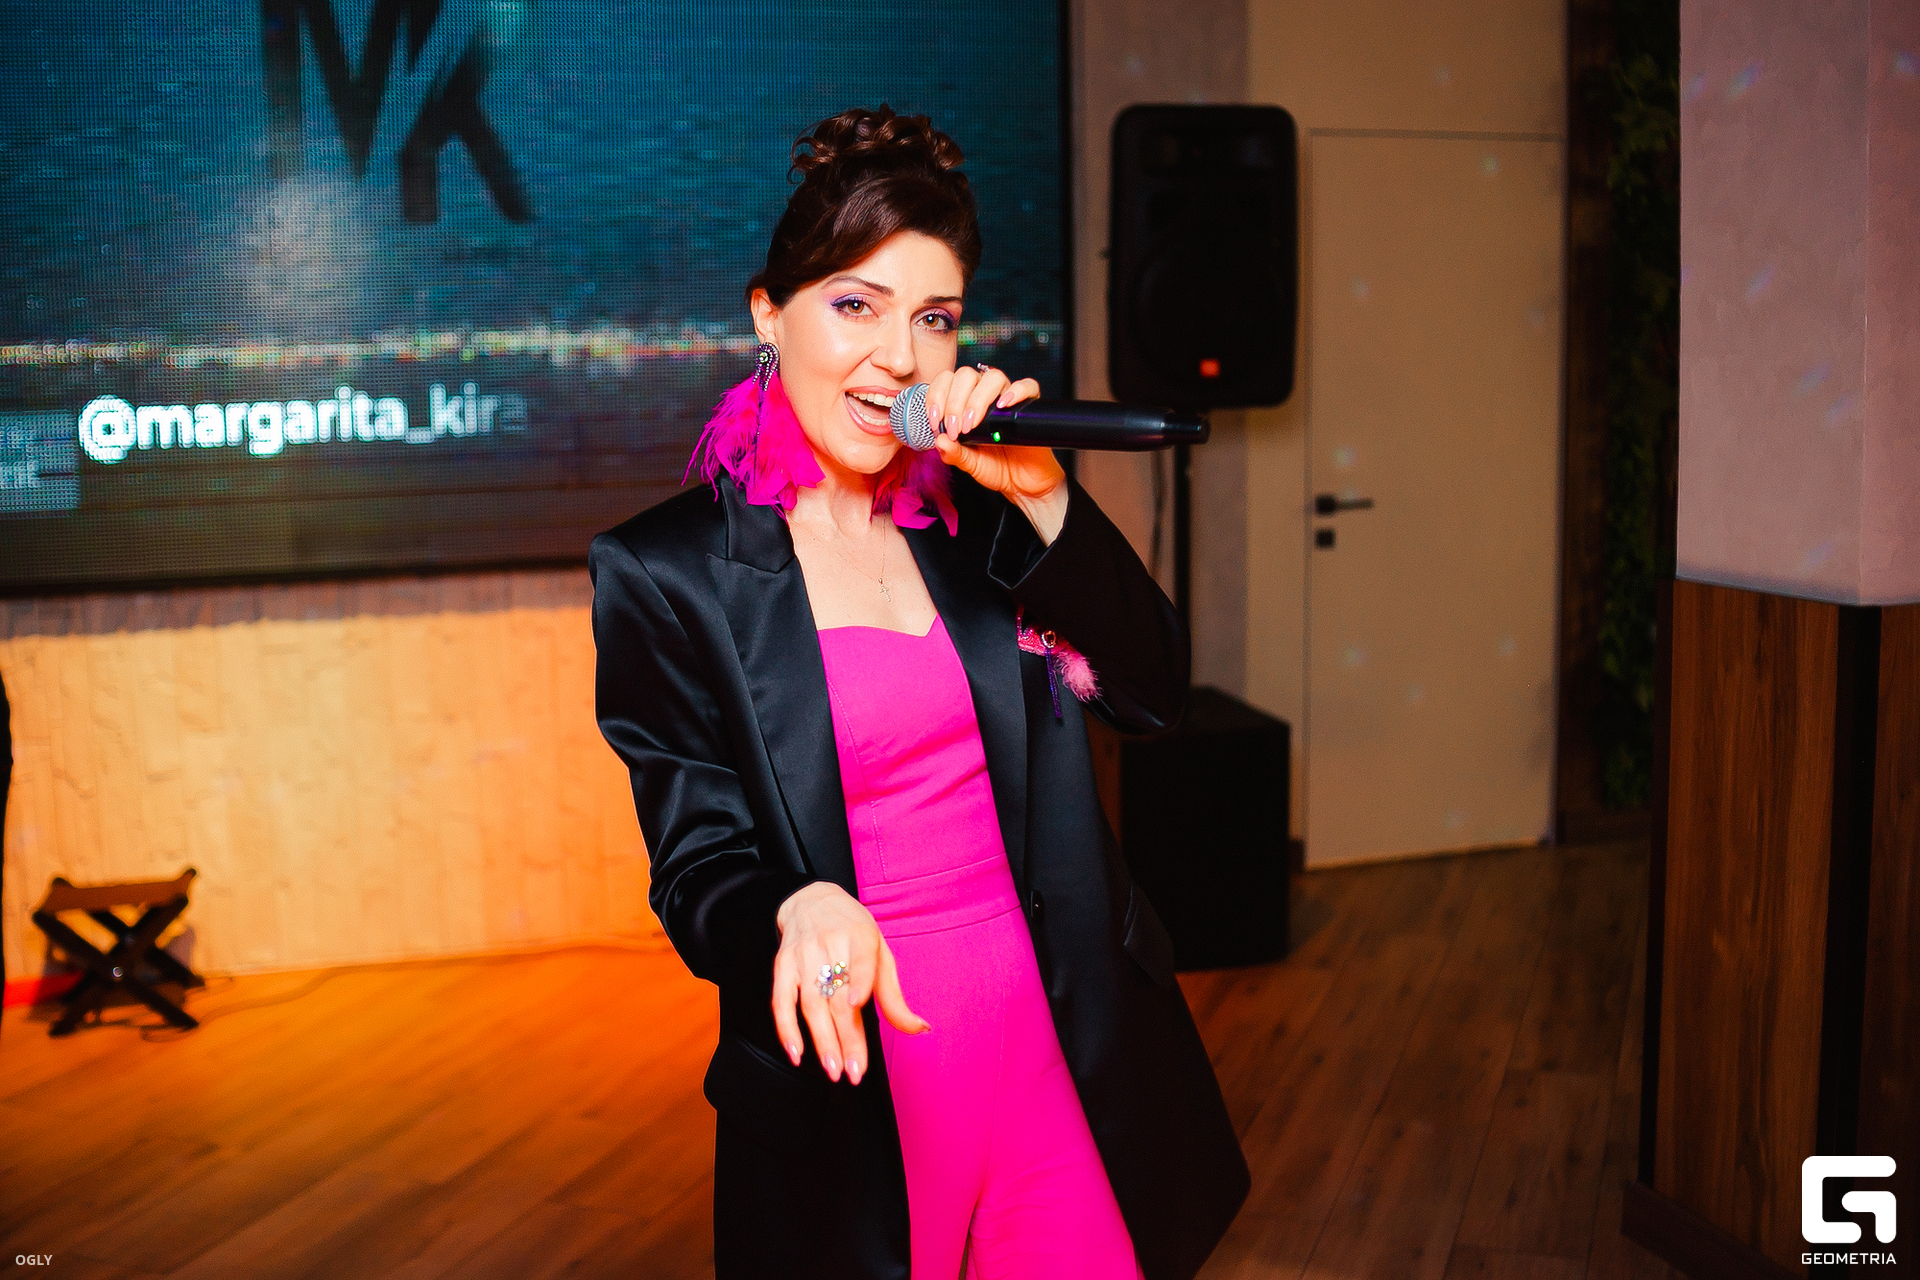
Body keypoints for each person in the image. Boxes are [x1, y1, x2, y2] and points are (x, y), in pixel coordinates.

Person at [589, 106, 1247, 1280]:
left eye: (934, 318)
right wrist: (791, 909)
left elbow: (1152, 694)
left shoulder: (983, 522)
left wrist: (1045, 498)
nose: (899, 355)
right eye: (856, 305)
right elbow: (697, 864)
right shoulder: (668, 571)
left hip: (1059, 1049)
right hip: (859, 1099)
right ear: (768, 314)